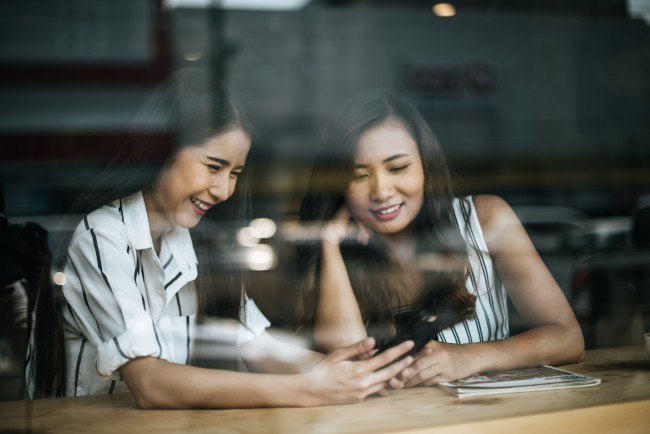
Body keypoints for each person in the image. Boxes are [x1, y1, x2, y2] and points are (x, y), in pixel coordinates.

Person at [24, 71, 415, 408]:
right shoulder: (103, 233)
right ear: (163, 150)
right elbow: (150, 384)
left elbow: (257, 346)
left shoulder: (192, 236)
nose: (225, 190)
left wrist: (359, 373)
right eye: (214, 166)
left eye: (235, 173)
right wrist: (307, 388)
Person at [295, 89, 584, 387]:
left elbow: (567, 337)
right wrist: (330, 245)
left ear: (425, 165)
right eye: (359, 175)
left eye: (398, 167)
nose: (381, 191)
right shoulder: (337, 246)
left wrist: (470, 357)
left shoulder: (485, 219)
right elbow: (349, 371)